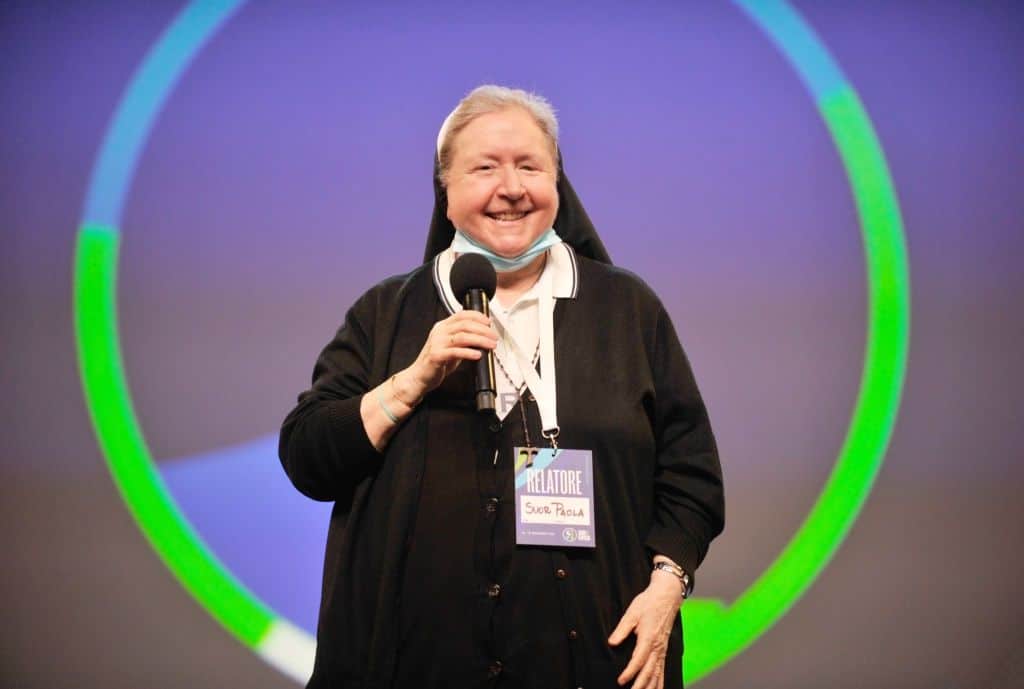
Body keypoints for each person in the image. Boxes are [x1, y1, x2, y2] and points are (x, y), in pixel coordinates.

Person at [279, 85, 724, 689]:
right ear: (445, 188)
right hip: (415, 665)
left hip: (596, 660)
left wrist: (667, 588)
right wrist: (410, 383)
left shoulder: (626, 308)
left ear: (557, 181)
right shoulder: (386, 313)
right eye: (485, 168)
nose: (511, 188)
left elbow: (692, 479)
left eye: (530, 167)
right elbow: (307, 457)